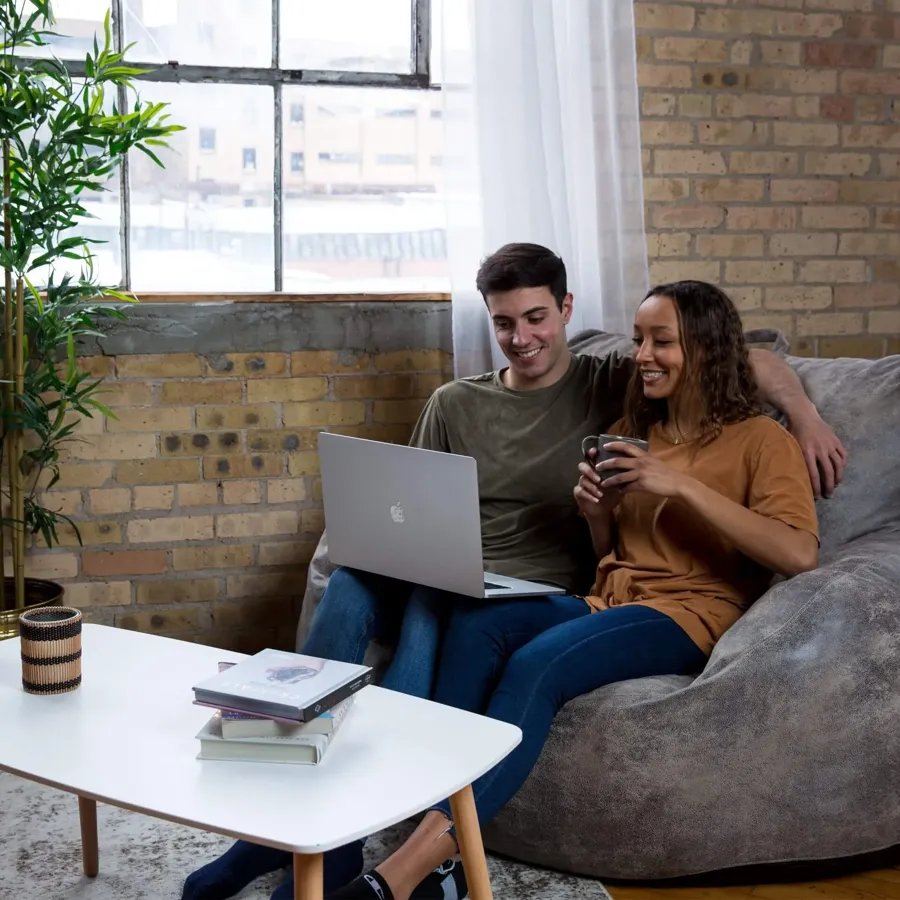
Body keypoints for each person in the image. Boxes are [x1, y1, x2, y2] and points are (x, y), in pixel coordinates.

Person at [181, 248, 844, 900]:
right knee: (439, 611)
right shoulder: (633, 426)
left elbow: (797, 554)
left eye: (659, 341)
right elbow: (614, 549)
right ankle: (311, 828)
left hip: (683, 611)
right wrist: (598, 514)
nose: (642, 354)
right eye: (639, 339)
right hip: (599, 596)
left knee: (530, 663)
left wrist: (762, 440)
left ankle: (402, 870)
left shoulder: (755, 439)